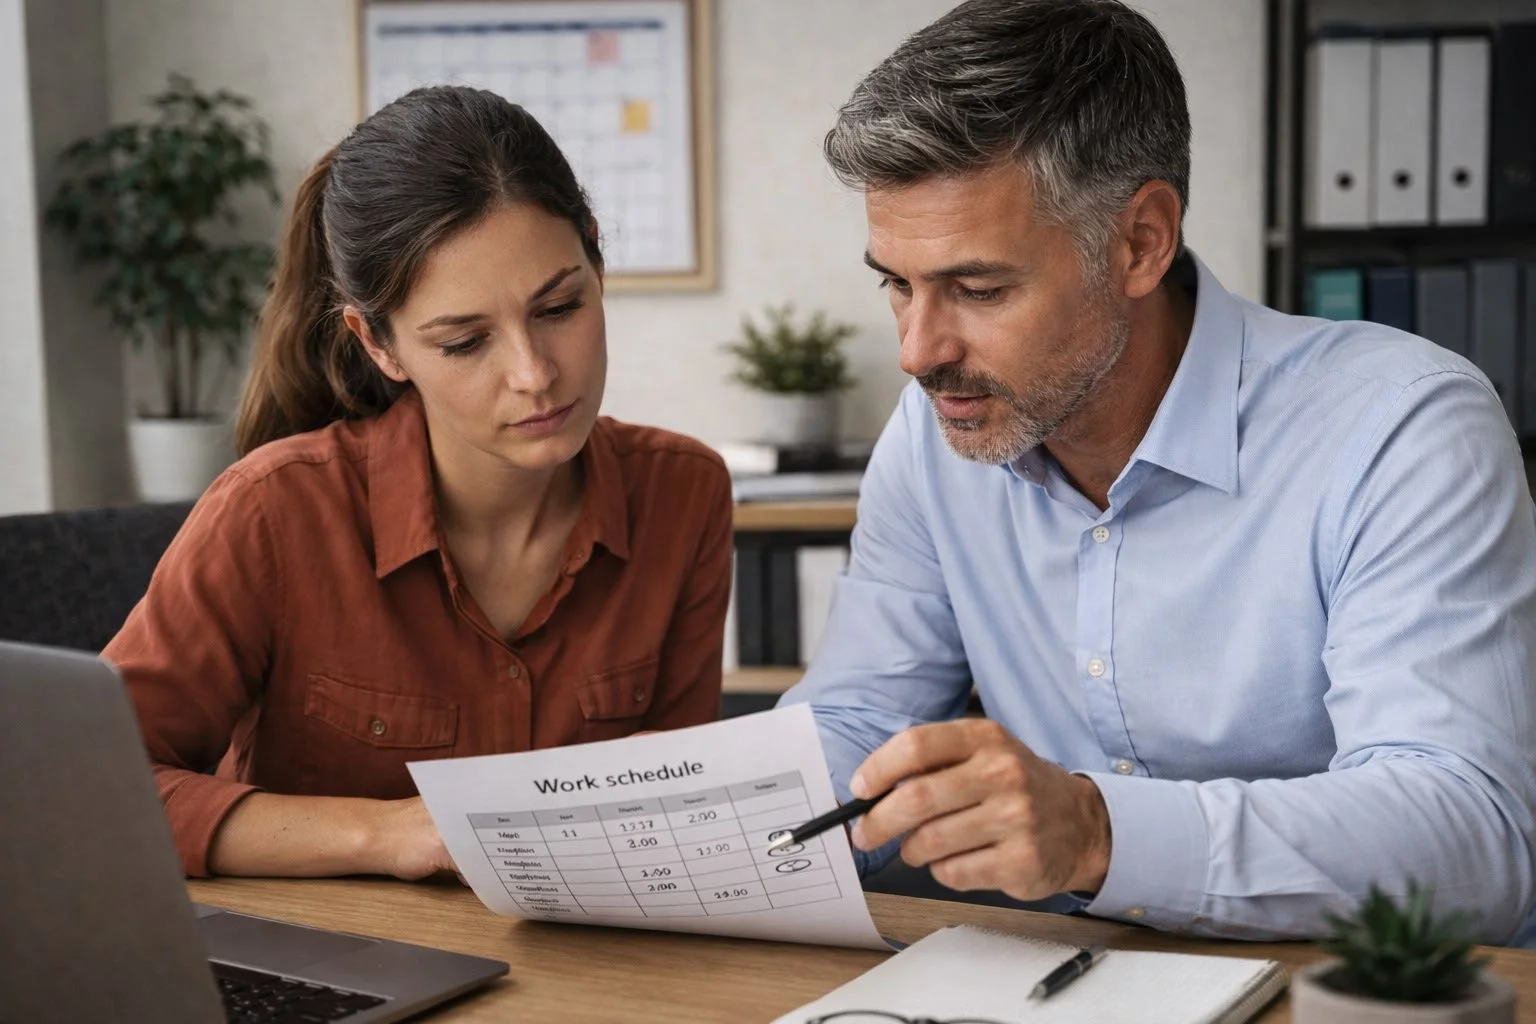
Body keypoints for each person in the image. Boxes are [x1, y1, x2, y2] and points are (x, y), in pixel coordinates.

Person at [781, 0, 1536, 944]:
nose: (917, 350)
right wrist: (672, 826)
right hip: (1078, 986)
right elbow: (858, 722)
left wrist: (1096, 832)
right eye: (895, 283)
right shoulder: (934, 433)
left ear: (1140, 241)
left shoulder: (1402, 426)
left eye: (979, 290)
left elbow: (1471, 839)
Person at [106, 85, 733, 882]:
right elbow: (91, 789)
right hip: (331, 969)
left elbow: (678, 807)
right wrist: (386, 835)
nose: (534, 375)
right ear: (379, 345)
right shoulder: (272, 511)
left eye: (560, 306)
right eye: (466, 342)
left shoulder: (685, 493)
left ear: (596, 262)